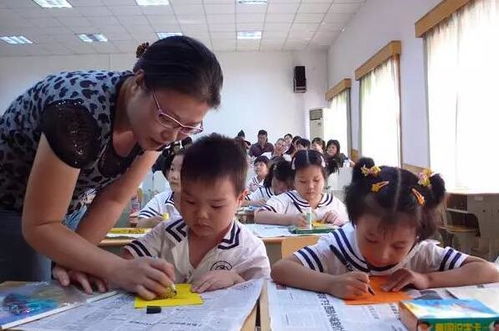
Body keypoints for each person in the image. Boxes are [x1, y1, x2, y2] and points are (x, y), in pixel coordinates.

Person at [0, 36, 223, 298]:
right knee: (33, 302)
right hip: (10, 205)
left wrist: (76, 261)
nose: (172, 136)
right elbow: (40, 225)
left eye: (188, 127)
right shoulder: (78, 111)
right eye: (167, 118)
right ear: (139, 82)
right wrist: (118, 268)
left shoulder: (154, 127)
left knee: (71, 291)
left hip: (63, 213)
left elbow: (114, 200)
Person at [271, 158, 499, 299]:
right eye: (371, 239)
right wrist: (330, 283)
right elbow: (281, 269)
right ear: (355, 221)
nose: (382, 255)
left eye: (399, 245)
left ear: (418, 235)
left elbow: (489, 271)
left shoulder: (421, 252)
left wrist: (427, 280)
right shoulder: (339, 246)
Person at [123, 134, 270, 297]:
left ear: (240, 199)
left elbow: (264, 297)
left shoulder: (249, 248)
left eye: (216, 205)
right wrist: (139, 272)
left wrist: (236, 279)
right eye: (190, 202)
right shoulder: (166, 232)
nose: (201, 214)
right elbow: (127, 259)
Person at [254, 150, 349, 227]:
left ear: (324, 179)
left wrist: (337, 219)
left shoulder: (332, 202)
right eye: (303, 181)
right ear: (293, 181)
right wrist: (291, 219)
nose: (310, 186)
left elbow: (350, 222)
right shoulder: (286, 200)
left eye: (316, 180)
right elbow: (259, 216)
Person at [137, 150, 184, 228]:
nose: (174, 176)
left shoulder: (203, 202)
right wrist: (150, 222)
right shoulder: (161, 200)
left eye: (181, 171)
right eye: (172, 169)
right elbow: (139, 225)